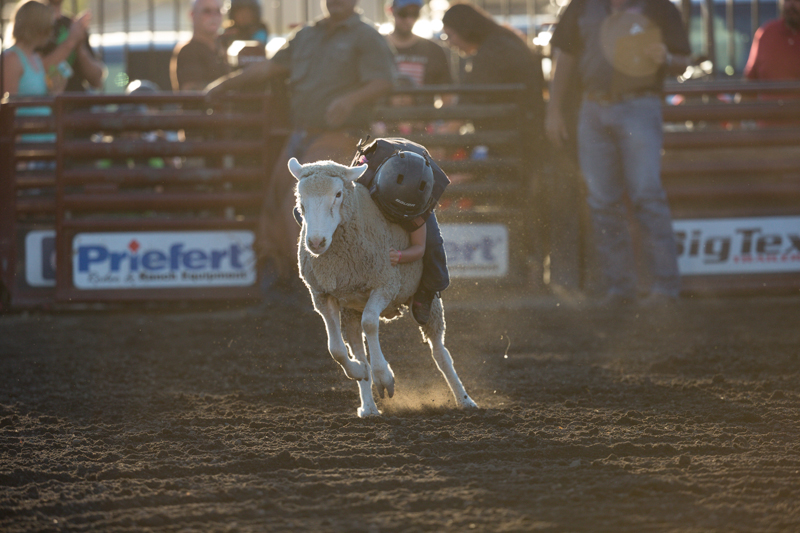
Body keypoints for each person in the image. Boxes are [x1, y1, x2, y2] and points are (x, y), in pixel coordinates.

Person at [205, 0, 395, 284]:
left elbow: (384, 81)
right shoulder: (306, 35)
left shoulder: (365, 36)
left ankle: (316, 279)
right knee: (278, 194)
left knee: (305, 201)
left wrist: (349, 100)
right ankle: (280, 274)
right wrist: (225, 84)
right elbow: (269, 68)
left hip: (342, 134)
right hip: (303, 132)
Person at [546, 0, 691, 308]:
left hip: (639, 104)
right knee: (602, 200)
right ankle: (620, 287)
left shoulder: (660, 7)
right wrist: (554, 110)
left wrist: (665, 56)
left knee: (646, 194)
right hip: (593, 106)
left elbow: (683, 61)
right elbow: (565, 57)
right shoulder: (581, 7)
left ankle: (664, 286)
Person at [351, 138, 451, 324]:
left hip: (419, 172)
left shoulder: (424, 195)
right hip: (380, 162)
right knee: (339, 202)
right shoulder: (363, 177)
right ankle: (313, 220)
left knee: (434, 243)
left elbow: (420, 247)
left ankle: (427, 291)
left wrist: (399, 255)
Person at [441, 2, 545, 155]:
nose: (449, 43)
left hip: (511, 137)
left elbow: (469, 99)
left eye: (450, 35)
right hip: (522, 131)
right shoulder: (502, 41)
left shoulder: (493, 51)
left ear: (465, 29)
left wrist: (446, 135)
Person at [2, 0, 88, 142]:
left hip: (45, 141)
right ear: (38, 27)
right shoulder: (11, 59)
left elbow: (40, 101)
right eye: (49, 26)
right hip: (25, 147)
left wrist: (55, 92)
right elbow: (8, 111)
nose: (51, 32)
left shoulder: (35, 58)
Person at [37, 0, 106, 93]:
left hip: (79, 102)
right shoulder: (33, 25)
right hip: (50, 104)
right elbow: (36, 70)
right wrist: (71, 41)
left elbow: (97, 81)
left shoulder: (74, 25)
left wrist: (80, 48)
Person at [386, 0, 452, 88]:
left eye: (415, 14)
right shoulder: (377, 47)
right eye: (403, 13)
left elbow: (447, 93)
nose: (409, 19)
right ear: (391, 11)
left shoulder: (434, 50)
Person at [171, 0, 230, 91]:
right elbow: (192, 92)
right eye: (207, 11)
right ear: (192, 15)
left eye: (218, 11)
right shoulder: (188, 50)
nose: (213, 16)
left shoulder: (221, 47)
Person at [744, 0, 800, 81]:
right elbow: (750, 79)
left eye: (797, 1)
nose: (791, 5)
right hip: (768, 93)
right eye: (787, 0)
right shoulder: (767, 32)